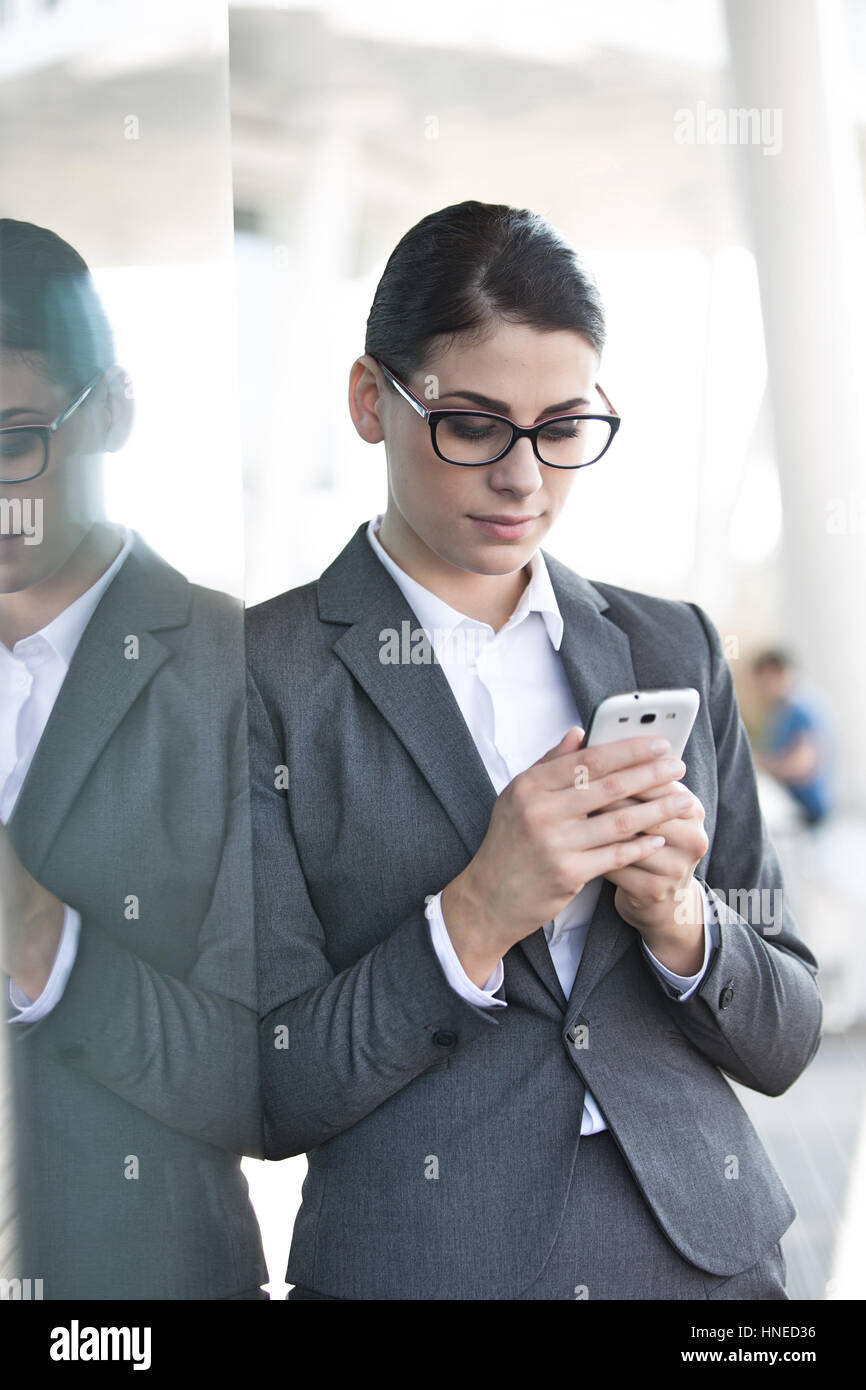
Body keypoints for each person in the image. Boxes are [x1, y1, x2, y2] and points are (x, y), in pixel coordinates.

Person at [246, 200, 823, 1300]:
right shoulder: (258, 679)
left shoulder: (670, 643)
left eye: (562, 428)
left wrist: (682, 920)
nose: (523, 478)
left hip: (707, 1266)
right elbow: (263, 1092)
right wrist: (472, 912)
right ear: (372, 400)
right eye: (471, 423)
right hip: (427, 1267)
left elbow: (786, 1037)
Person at [0, 219, 267, 1298]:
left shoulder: (242, 672)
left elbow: (266, 1081)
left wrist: (35, 937)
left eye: (13, 436)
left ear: (111, 410)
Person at [750, 649, 833, 829]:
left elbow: (801, 765)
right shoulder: (783, 710)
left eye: (764, 683)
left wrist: (759, 762)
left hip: (808, 810)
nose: (760, 690)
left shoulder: (801, 709)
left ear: (778, 674)